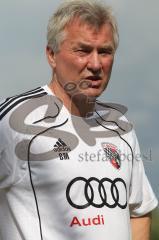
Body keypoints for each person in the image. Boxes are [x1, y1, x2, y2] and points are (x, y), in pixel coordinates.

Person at [0, 0, 158, 240]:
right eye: (82, 50)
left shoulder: (120, 127)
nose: (95, 64)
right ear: (51, 55)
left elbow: (138, 211)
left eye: (104, 52)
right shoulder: (14, 120)